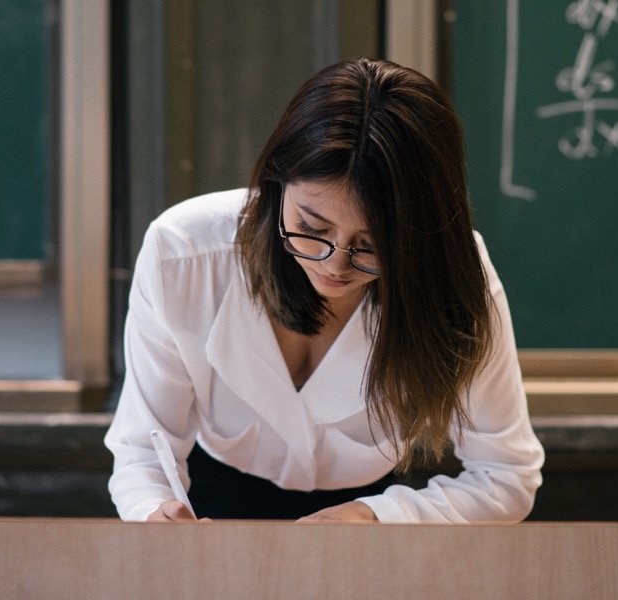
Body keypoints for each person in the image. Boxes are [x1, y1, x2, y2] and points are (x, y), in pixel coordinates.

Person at [104, 57, 544, 523]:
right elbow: (143, 450)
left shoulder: (454, 276)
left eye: (371, 245)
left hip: (373, 511)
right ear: (276, 184)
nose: (334, 265)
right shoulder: (184, 254)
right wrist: (155, 513)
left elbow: (506, 475)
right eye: (311, 228)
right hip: (208, 495)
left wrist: (377, 518)